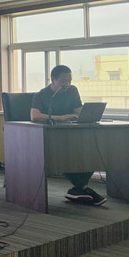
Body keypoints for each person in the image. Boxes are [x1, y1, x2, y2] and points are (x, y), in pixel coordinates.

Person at [30, 64, 106, 206]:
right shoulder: (41, 95)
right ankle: (82, 189)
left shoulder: (72, 90)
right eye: (63, 81)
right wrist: (60, 118)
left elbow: (78, 110)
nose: (67, 84)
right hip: (52, 136)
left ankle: (78, 190)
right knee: (69, 154)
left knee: (93, 151)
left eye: (69, 80)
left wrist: (84, 114)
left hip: (72, 132)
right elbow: (34, 116)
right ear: (53, 79)